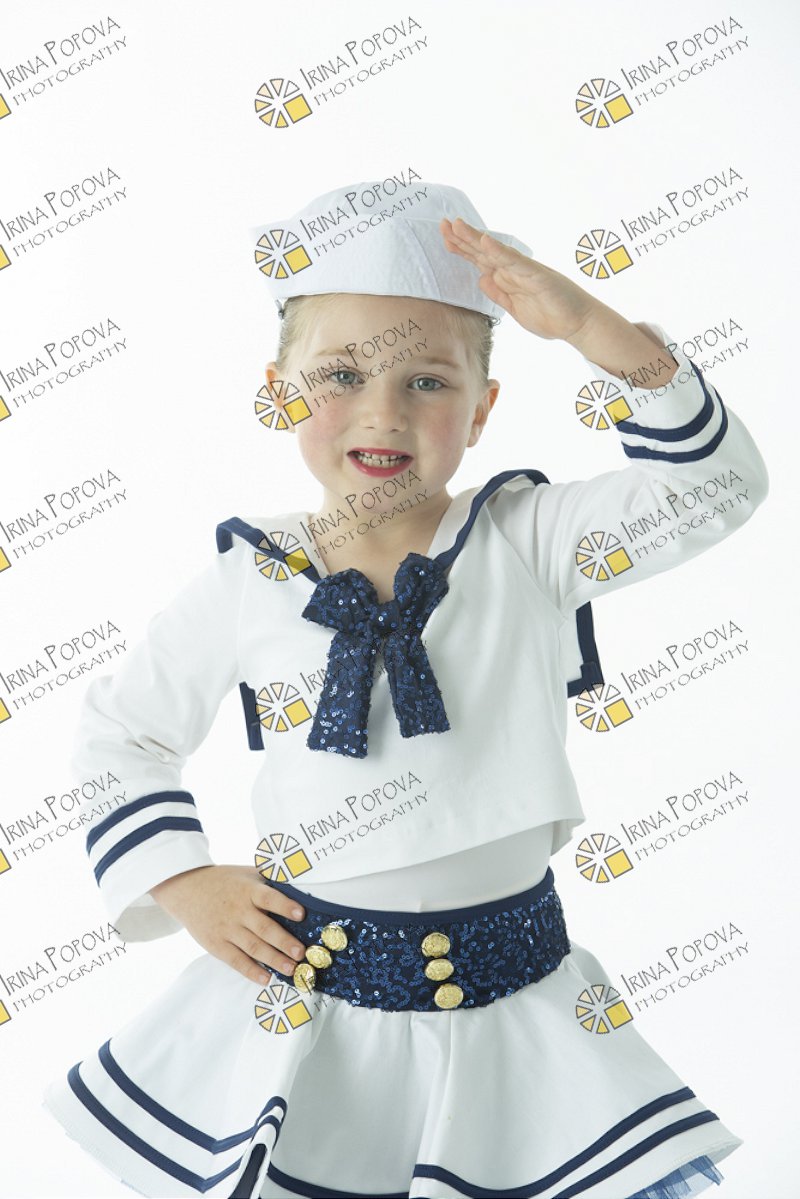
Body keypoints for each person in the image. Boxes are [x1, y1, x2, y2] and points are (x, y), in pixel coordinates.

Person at [42, 180, 768, 1199]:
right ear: (280, 391)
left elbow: (717, 485)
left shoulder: (531, 541)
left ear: (483, 408)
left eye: (428, 381)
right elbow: (121, 732)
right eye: (341, 374)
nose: (383, 412)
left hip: (519, 1018)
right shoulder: (246, 579)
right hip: (314, 1018)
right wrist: (181, 879)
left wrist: (590, 327)